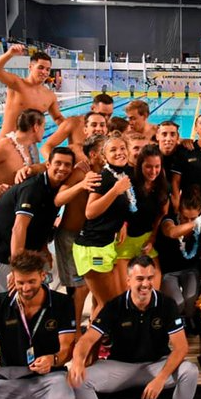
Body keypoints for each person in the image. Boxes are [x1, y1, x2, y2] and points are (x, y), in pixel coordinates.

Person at [69, 256, 198, 399]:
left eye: (150, 278)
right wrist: (78, 362)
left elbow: (181, 347)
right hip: (121, 367)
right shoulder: (114, 305)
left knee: (190, 371)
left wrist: (160, 379)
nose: (146, 284)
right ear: (128, 281)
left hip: (157, 365)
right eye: (140, 279)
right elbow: (86, 340)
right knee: (79, 380)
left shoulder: (167, 304)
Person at [0, 251, 75, 399]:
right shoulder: (0, 303)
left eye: (31, 281)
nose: (26, 288)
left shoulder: (62, 303)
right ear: (13, 277)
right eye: (21, 282)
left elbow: (67, 348)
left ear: (43, 276)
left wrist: (53, 360)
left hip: (51, 377)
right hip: (9, 379)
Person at [0, 147, 74, 294]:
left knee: (33, 297)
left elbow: (43, 221)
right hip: (2, 253)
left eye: (67, 165)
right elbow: (19, 228)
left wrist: (43, 248)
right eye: (58, 163)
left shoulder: (55, 188)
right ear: (48, 165)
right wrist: (17, 268)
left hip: (26, 251)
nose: (62, 168)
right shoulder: (33, 188)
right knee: (10, 299)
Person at [73, 133, 134, 319]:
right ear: (103, 156)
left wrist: (122, 223)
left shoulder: (122, 173)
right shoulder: (104, 177)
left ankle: (103, 344)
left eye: (122, 148)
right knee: (106, 306)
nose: (119, 152)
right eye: (113, 150)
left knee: (110, 302)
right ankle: (89, 347)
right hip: (92, 249)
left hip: (105, 244)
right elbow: (90, 212)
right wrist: (115, 191)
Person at [53, 135, 105, 338]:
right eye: (104, 150)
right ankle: (72, 333)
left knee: (94, 286)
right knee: (80, 289)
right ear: (93, 154)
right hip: (69, 238)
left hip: (89, 239)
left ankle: (94, 327)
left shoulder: (105, 172)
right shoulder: (80, 171)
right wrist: (81, 185)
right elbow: (58, 199)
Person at [115, 144, 170, 289]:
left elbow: (162, 214)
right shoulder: (128, 182)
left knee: (154, 287)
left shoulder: (162, 187)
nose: (153, 171)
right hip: (123, 242)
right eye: (148, 166)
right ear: (140, 165)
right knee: (126, 291)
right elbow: (115, 207)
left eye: (157, 166)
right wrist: (122, 224)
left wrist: (153, 237)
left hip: (145, 239)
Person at [0, 45, 64, 138]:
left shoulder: (50, 95)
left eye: (48, 69)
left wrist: (75, 128)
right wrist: (9, 54)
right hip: (8, 141)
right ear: (30, 67)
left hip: (30, 145)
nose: (45, 72)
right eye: (41, 67)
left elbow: (58, 118)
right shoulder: (17, 84)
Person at [155, 187, 201, 320]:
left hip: (190, 270)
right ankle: (172, 328)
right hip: (169, 272)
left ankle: (188, 324)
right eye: (185, 218)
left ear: (200, 212)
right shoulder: (169, 220)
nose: (189, 223)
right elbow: (172, 232)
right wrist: (195, 223)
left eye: (193, 218)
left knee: (191, 304)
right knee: (177, 304)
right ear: (179, 210)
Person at [40, 94, 114, 163]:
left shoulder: (111, 127)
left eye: (109, 115)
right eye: (102, 114)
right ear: (92, 108)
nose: (106, 118)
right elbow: (46, 147)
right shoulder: (73, 123)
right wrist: (56, 163)